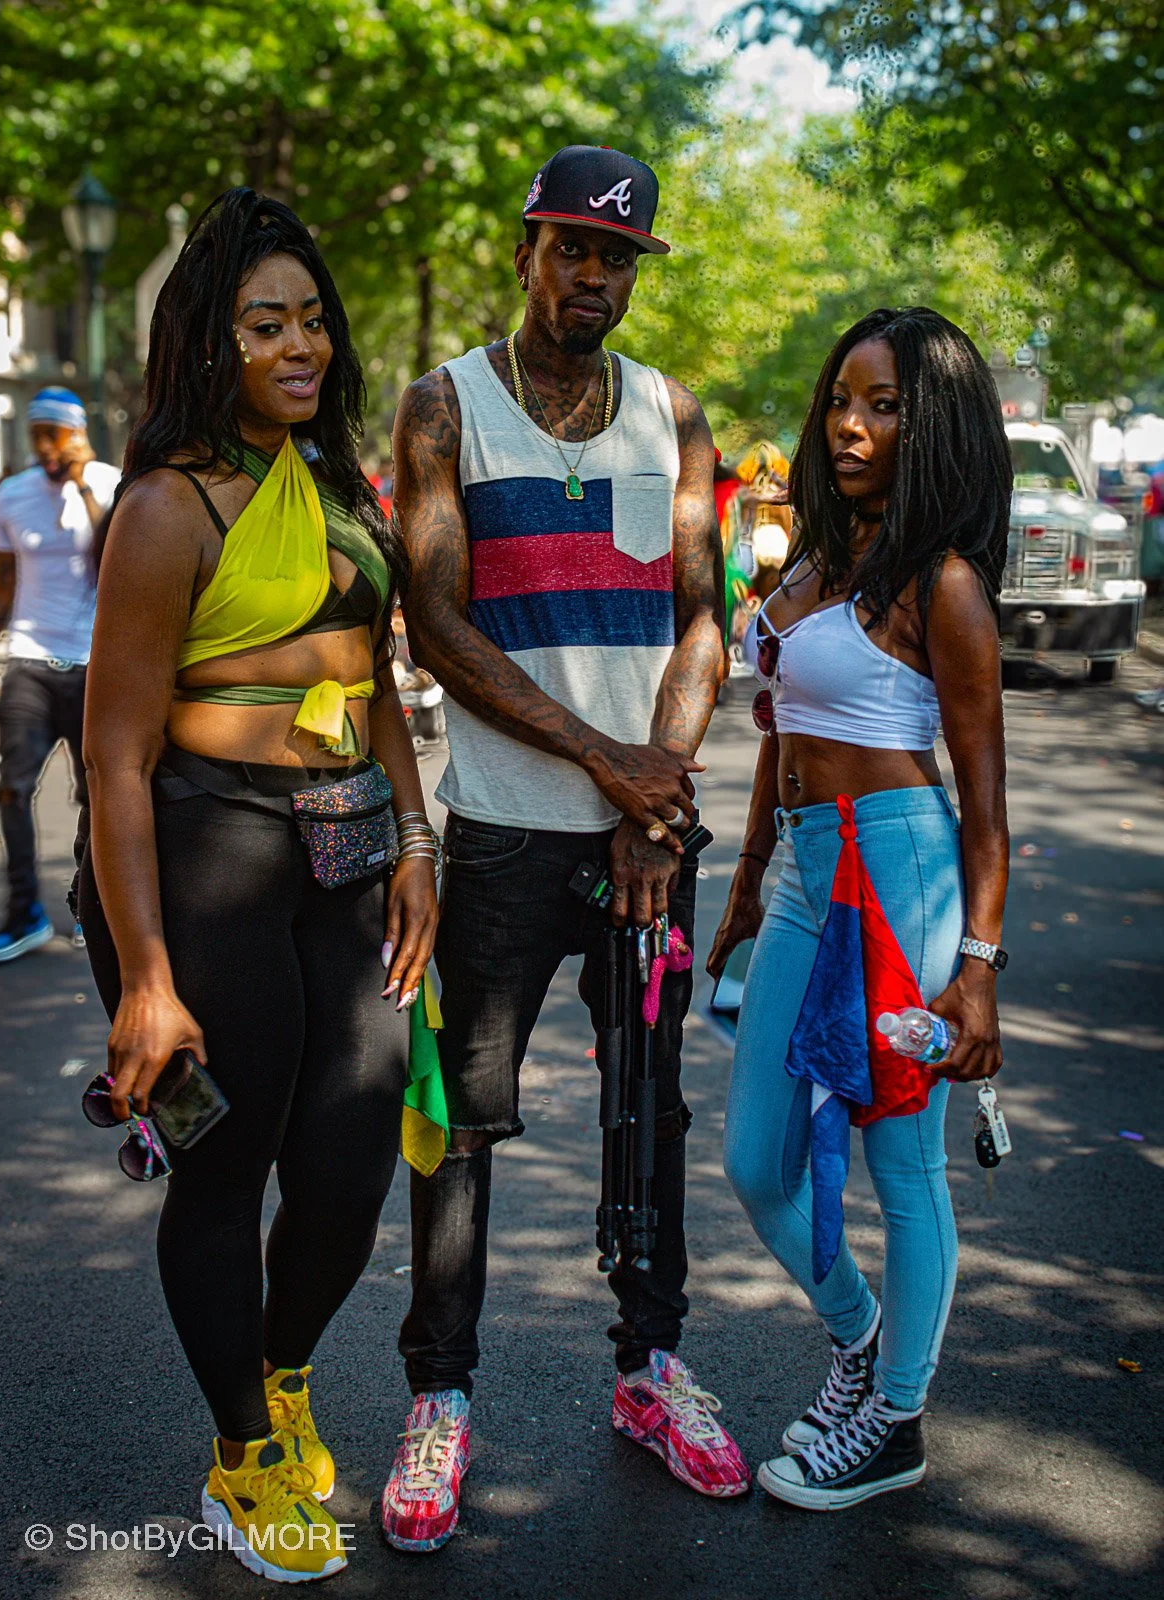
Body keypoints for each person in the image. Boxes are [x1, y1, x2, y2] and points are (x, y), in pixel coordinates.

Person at [384, 143, 749, 1556]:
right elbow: (437, 624)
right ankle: (441, 1398)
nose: (592, 275)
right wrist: (615, 771)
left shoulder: (677, 415)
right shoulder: (446, 407)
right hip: (506, 840)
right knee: (461, 1124)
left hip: (643, 844)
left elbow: (704, 617)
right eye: (570, 249)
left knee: (649, 1111)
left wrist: (654, 808)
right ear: (527, 250)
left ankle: (651, 1370)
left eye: (616, 257)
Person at [77, 189, 437, 1584]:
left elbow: (378, 686)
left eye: (313, 320)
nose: (301, 343)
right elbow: (112, 761)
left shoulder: (345, 489)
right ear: (209, 342)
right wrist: (147, 982)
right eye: (264, 322)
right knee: (224, 1170)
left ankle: (283, 1375)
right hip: (206, 848)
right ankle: (240, 1451)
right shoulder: (169, 507)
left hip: (347, 849)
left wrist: (418, 849)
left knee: (349, 1171)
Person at [708, 306, 1011, 1510]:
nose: (848, 423)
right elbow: (780, 735)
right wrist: (738, 885)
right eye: (842, 396)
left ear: (929, 426)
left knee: (898, 1157)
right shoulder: (812, 565)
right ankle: (864, 1341)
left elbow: (985, 807)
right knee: (755, 1158)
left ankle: (895, 1416)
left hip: (900, 873)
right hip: (796, 868)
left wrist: (977, 965)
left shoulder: (939, 587)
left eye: (883, 404)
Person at [0, 388, 118, 961]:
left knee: (96, 793)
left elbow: (108, 558)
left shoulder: (112, 487)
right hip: (31, 662)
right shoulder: (9, 497)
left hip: (97, 665)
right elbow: (0, 586)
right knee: (12, 789)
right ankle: (25, 915)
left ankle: (90, 910)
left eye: (55, 433)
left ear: (79, 433)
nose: (44, 446)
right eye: (36, 433)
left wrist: (83, 483)